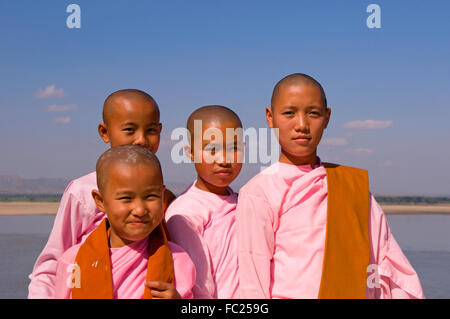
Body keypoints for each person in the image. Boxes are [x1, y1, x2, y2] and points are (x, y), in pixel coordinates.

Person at [236, 73, 425, 299]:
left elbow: (388, 264)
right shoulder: (259, 192)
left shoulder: (352, 187)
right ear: (270, 117)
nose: (302, 125)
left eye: (313, 113)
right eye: (289, 113)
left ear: (327, 118)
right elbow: (253, 284)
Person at [28, 89, 176, 298]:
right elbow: (51, 264)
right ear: (104, 132)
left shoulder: (164, 195)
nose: (142, 140)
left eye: (151, 130)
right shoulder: (83, 192)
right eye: (130, 129)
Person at [54, 145, 195, 299]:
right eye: (126, 198)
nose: (140, 210)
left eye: (150, 197)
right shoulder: (74, 261)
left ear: (162, 195)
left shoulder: (177, 259)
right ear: (100, 201)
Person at [165, 105, 243, 298]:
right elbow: (198, 285)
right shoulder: (185, 213)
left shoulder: (243, 201)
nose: (224, 160)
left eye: (234, 148)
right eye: (212, 149)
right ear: (191, 152)